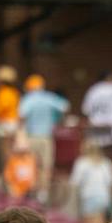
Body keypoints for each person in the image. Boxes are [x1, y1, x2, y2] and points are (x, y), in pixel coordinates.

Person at [17, 75, 69, 204]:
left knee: (32, 165)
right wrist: (56, 119)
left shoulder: (28, 99)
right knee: (46, 166)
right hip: (46, 137)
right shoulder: (49, 97)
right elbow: (65, 107)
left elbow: (21, 115)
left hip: (31, 137)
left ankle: (32, 191)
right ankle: (43, 194)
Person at [70, 141, 112, 223]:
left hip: (88, 196)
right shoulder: (106, 162)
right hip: (104, 197)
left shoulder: (81, 162)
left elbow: (75, 182)